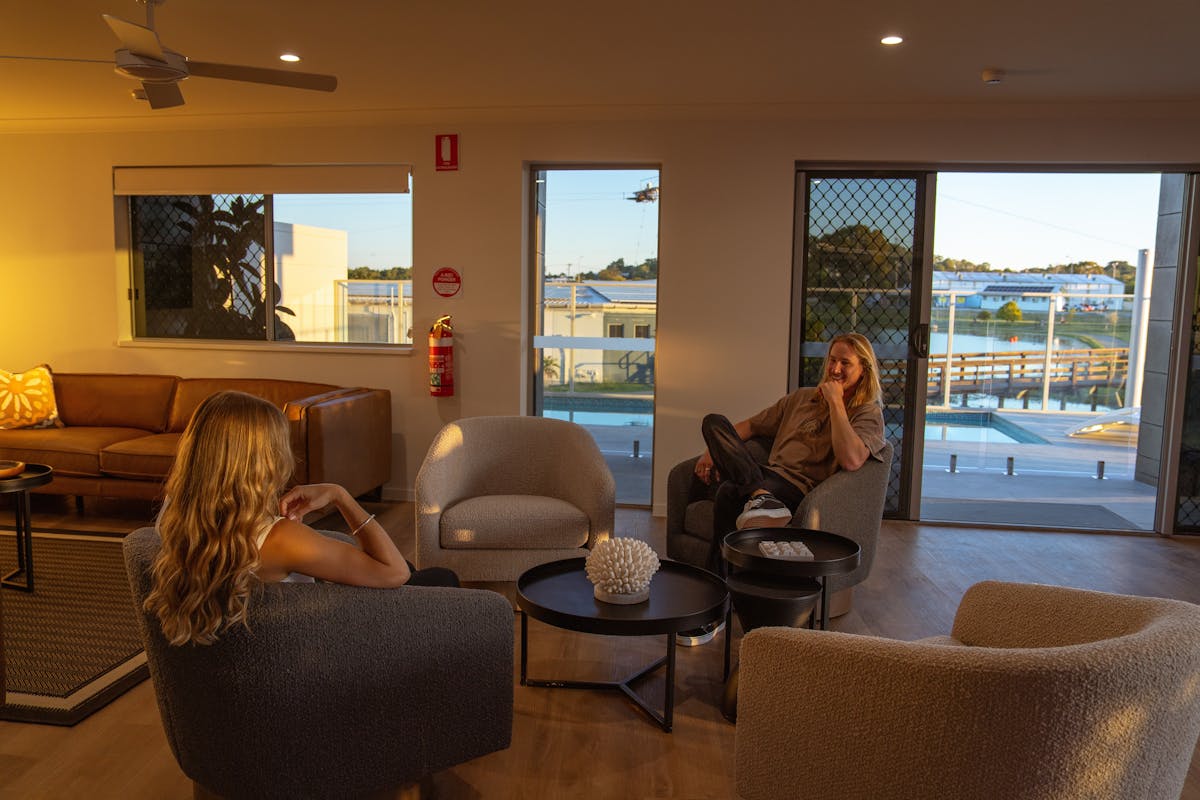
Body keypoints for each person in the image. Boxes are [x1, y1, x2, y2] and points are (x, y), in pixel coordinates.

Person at [144, 390, 458, 646]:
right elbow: (394, 574)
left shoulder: (174, 514)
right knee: (440, 579)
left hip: (278, 632)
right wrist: (340, 496)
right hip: (325, 641)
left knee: (417, 572)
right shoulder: (280, 539)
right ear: (261, 459)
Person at [694, 332, 889, 564]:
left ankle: (716, 581)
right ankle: (761, 497)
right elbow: (750, 426)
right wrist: (712, 452)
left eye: (845, 363)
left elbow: (852, 460)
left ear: (863, 370)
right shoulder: (801, 398)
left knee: (728, 492)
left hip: (799, 489)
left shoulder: (868, 413)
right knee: (713, 422)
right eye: (832, 360)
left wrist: (836, 402)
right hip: (767, 475)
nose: (835, 369)